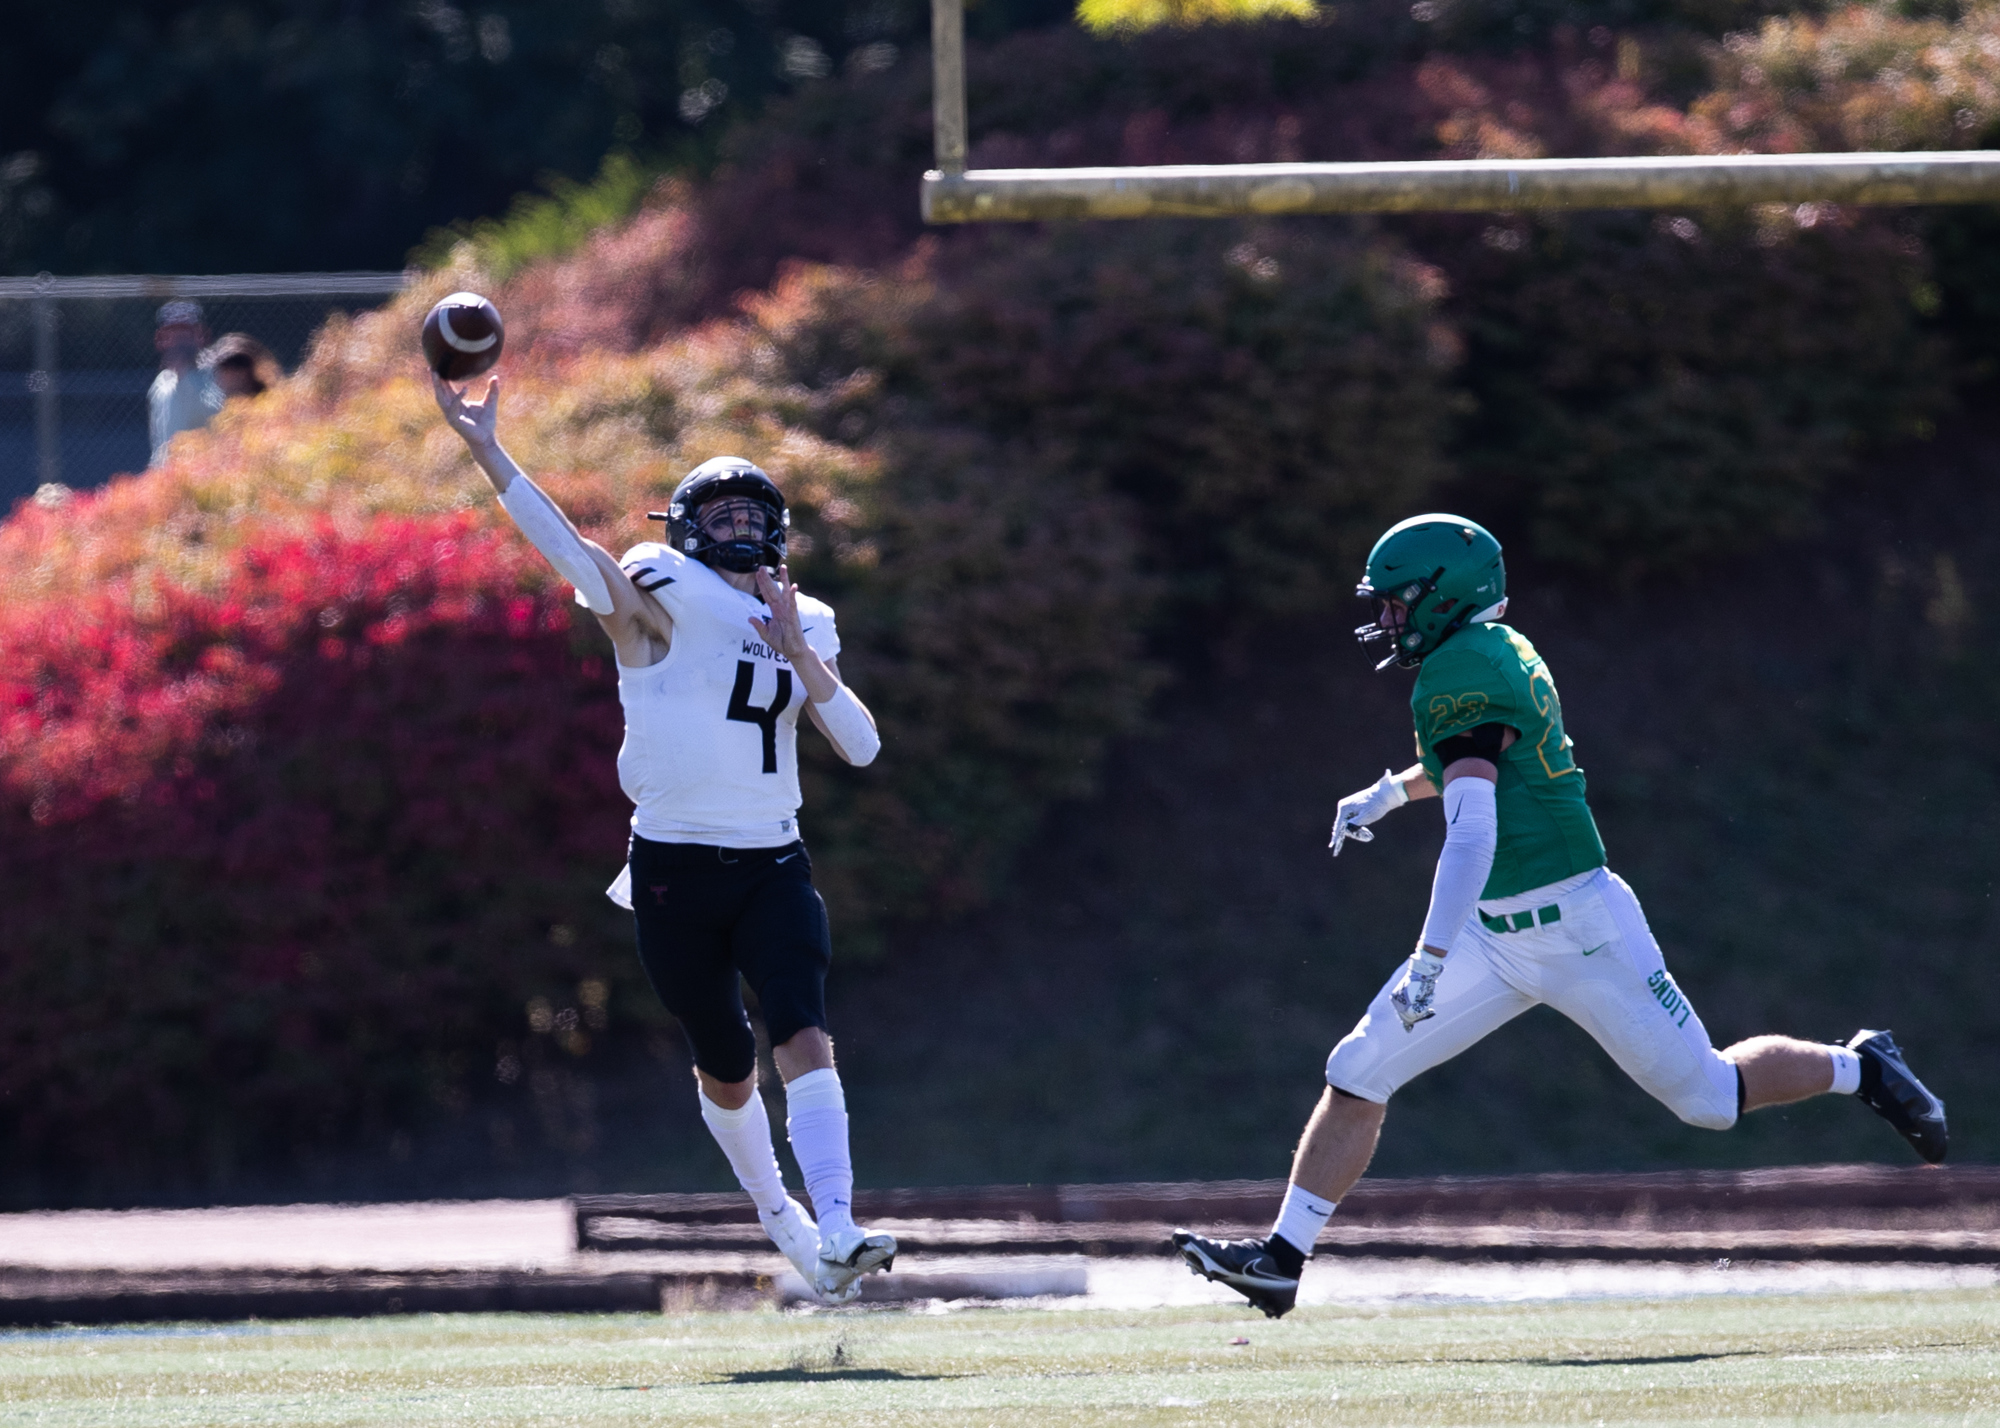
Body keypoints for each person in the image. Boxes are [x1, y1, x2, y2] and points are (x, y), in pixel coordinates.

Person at [1171, 514, 1949, 1319]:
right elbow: (1476, 758)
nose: (1389, 618)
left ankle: (1863, 1067)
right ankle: (1281, 1261)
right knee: (1359, 1068)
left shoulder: (1462, 669)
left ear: (1444, 596)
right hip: (1496, 935)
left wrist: (1429, 958)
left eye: (1399, 602)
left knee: (1712, 1098)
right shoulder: (1489, 649)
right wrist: (1394, 791)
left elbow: (1473, 834)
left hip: (1580, 929)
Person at [433, 372, 898, 1305]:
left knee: (804, 1026)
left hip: (773, 856)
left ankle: (841, 1223)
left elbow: (861, 745)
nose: (740, 530)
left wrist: (801, 655)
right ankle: (784, 1220)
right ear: (686, 531)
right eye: (721, 517)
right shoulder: (660, 595)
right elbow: (575, 555)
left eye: (752, 515)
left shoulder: (805, 618)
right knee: (725, 1060)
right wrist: (488, 450)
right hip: (674, 867)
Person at [147, 300, 225, 466]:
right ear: (160, 339)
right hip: (170, 477)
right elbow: (159, 445)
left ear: (202, 336)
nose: (179, 341)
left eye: (186, 333)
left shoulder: (217, 378)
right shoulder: (161, 384)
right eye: (173, 333)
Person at [201, 333, 284, 399]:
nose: (219, 379)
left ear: (242, 373)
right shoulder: (225, 404)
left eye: (225, 370)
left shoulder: (268, 404)